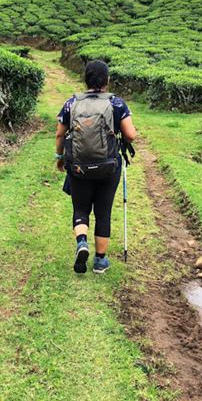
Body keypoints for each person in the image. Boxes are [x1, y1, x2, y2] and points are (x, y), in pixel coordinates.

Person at [56, 60, 137, 274]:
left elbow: (59, 133)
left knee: (81, 208)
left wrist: (59, 157)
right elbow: (130, 135)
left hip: (78, 167)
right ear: (107, 80)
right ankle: (100, 261)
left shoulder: (71, 103)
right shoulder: (117, 104)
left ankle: (82, 243)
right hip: (108, 167)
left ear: (86, 79)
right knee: (103, 212)